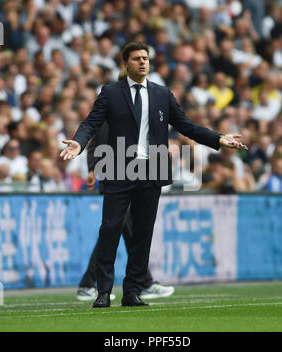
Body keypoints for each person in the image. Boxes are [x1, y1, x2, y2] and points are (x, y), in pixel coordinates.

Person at [60, 42, 247, 308]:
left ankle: (132, 291)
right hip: (118, 169)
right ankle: (103, 291)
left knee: (143, 234)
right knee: (110, 229)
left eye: (145, 58)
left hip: (152, 170)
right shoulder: (111, 93)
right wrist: (79, 143)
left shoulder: (162, 94)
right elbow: (92, 122)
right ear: (125, 63)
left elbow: (186, 125)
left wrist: (218, 139)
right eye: (136, 59)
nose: (142, 62)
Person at [77, 121, 175, 301]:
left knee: (123, 229)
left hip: (130, 177)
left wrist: (92, 168)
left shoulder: (118, 110)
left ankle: (141, 281)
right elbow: (96, 143)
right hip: (117, 178)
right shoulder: (111, 112)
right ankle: (91, 283)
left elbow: (96, 144)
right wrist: (92, 169)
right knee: (115, 229)